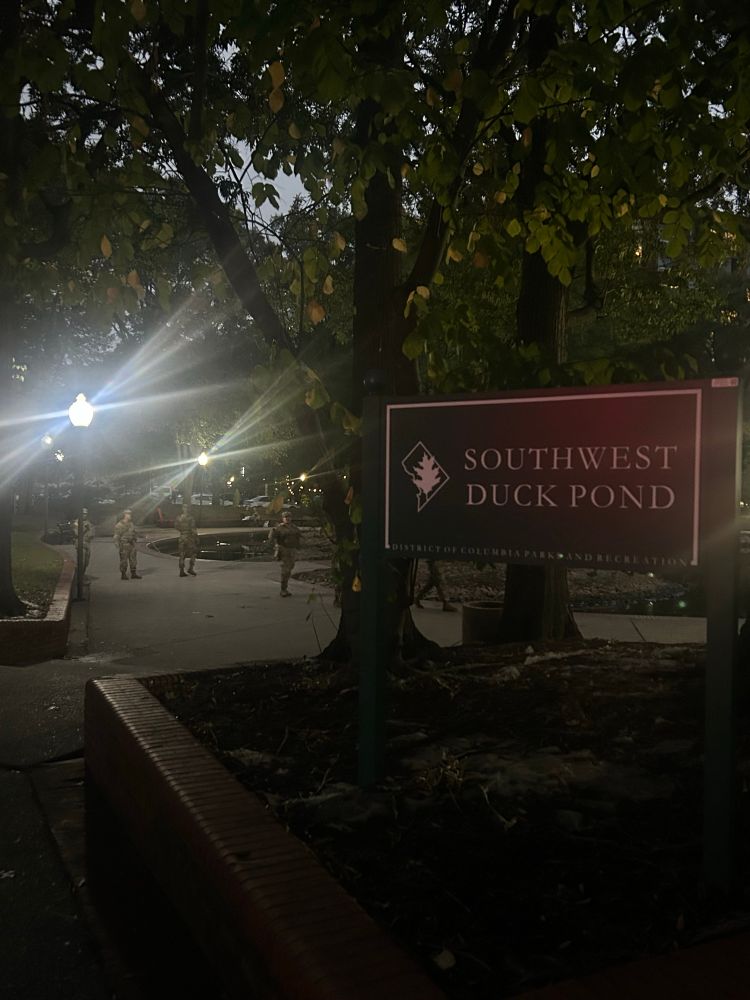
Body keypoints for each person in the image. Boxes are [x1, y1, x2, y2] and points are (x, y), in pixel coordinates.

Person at [269, 511, 301, 597]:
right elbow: (272, 538)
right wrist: (276, 546)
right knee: (285, 570)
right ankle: (283, 589)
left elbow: (298, 537)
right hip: (284, 549)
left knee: (291, 567)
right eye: (285, 517)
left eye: (289, 517)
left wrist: (298, 547)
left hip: (292, 550)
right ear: (283, 518)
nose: (287, 518)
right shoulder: (279, 528)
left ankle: (285, 588)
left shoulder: (294, 527)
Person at [113, 508, 141, 580]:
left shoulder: (131, 524)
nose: (130, 515)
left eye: (130, 514)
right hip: (124, 545)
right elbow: (116, 535)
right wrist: (117, 544)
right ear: (125, 515)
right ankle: (123, 574)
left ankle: (133, 574)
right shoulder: (119, 525)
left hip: (132, 544)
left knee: (133, 560)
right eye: (129, 514)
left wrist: (135, 538)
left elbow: (134, 532)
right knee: (124, 560)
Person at [175, 504, 199, 577]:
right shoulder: (190, 518)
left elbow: (176, 526)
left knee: (182, 554)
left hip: (182, 537)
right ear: (189, 509)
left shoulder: (178, 518)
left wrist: (182, 531)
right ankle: (190, 568)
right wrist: (196, 537)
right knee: (194, 552)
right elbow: (193, 529)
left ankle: (181, 571)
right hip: (189, 537)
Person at [73, 508, 94, 574]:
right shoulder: (77, 523)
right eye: (83, 514)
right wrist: (85, 528)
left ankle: (82, 575)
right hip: (80, 544)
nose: (84, 515)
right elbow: (77, 533)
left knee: (86, 562)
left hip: (87, 544)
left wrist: (91, 534)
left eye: (85, 514)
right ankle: (80, 576)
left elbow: (92, 532)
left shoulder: (88, 522)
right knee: (82, 561)